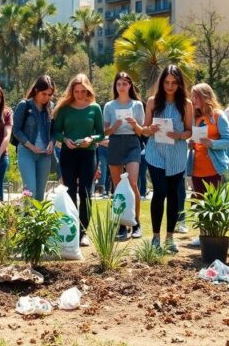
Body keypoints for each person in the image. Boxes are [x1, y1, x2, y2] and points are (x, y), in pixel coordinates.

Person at [142, 65, 192, 252]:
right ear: (161, 82)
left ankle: (170, 238)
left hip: (177, 153)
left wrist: (178, 135)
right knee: (160, 191)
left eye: (174, 83)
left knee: (173, 194)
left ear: (180, 84)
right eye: (166, 82)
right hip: (156, 152)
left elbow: (189, 131)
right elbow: (144, 129)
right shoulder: (152, 102)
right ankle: (156, 237)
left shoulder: (186, 104)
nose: (170, 86)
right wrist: (150, 129)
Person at [52, 74, 104, 247]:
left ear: (88, 90)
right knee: (70, 191)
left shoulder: (95, 108)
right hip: (68, 154)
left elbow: (101, 133)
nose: (80, 94)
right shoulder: (64, 109)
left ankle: (83, 232)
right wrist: (64, 139)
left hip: (88, 154)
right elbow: (56, 131)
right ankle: (71, 228)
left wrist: (91, 139)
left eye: (83, 91)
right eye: (76, 91)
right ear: (71, 91)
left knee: (86, 192)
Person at [103, 72, 146, 240]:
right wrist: (114, 127)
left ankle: (136, 223)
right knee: (118, 186)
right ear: (115, 86)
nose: (122, 87)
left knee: (133, 183)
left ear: (130, 86)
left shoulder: (137, 105)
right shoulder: (109, 106)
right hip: (115, 143)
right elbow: (105, 131)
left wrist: (134, 124)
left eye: (125, 84)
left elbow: (141, 131)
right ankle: (121, 225)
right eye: (119, 84)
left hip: (132, 143)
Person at [13, 75, 55, 201]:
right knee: (30, 192)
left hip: (45, 155)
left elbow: (54, 130)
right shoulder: (24, 105)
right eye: (44, 94)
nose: (46, 97)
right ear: (36, 90)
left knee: (40, 196)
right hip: (27, 153)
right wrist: (30, 146)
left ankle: (37, 215)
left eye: (49, 94)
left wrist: (52, 142)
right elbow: (16, 130)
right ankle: (27, 214)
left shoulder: (51, 107)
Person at [188, 83, 229, 196]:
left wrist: (212, 143)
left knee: (214, 205)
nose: (193, 100)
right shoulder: (194, 117)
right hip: (195, 170)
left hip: (215, 169)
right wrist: (190, 143)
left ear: (205, 96)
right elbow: (190, 137)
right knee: (197, 204)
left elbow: (228, 141)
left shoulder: (218, 115)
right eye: (192, 97)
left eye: (196, 97)